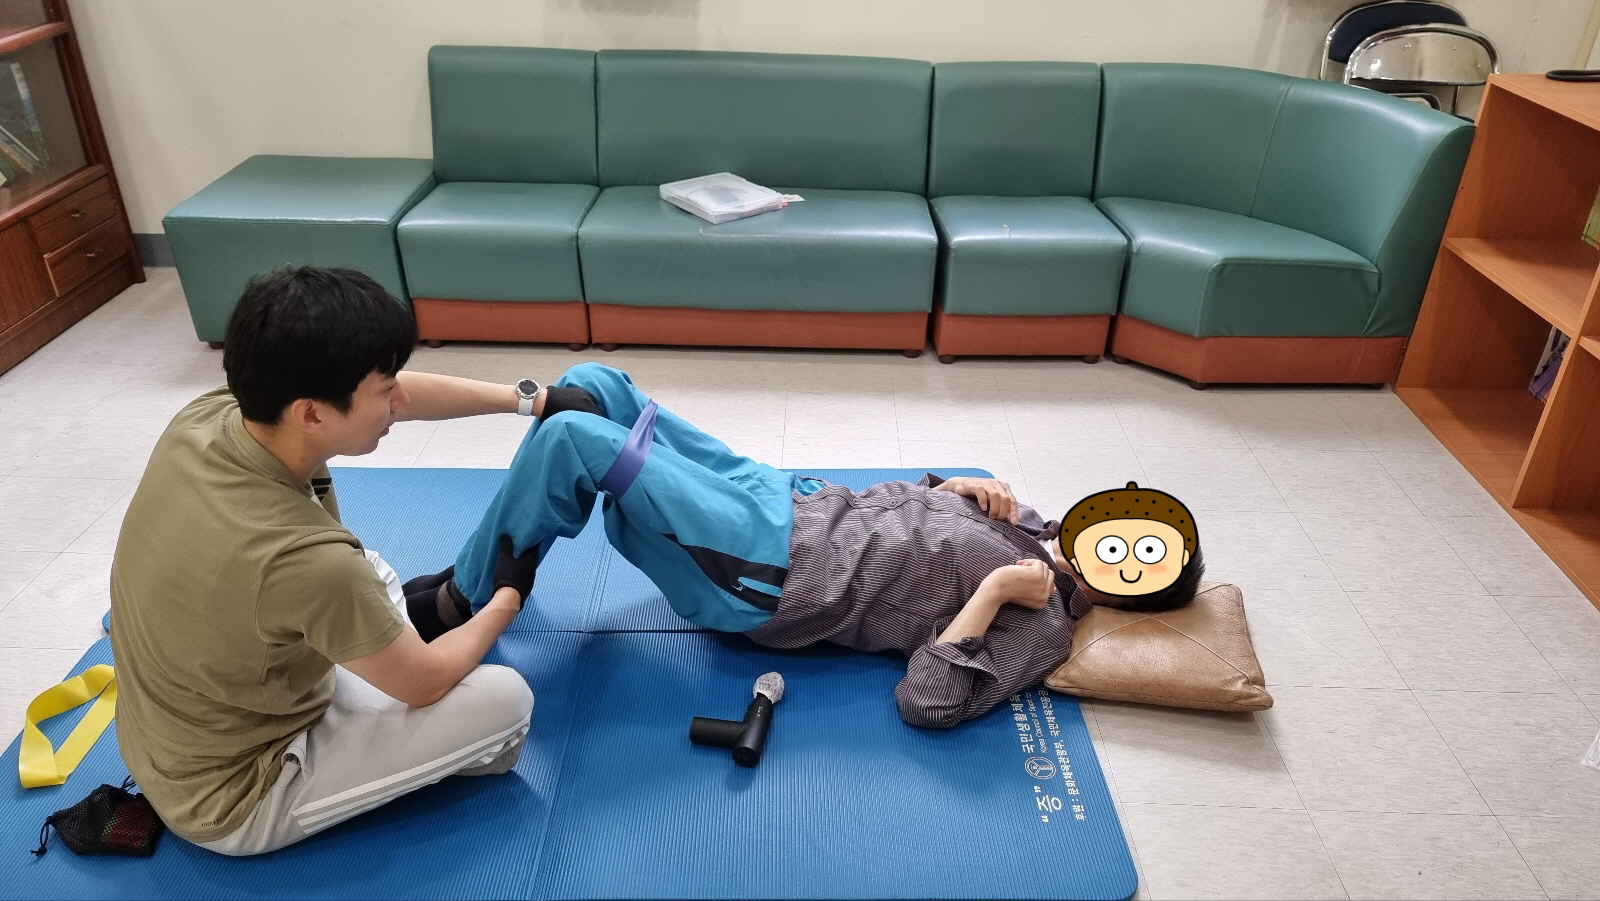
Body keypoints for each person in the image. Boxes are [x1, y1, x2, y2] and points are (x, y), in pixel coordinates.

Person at [414, 363, 1205, 729]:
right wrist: (956, 485)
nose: (1114, 543)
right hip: (787, 496)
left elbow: (929, 699)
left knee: (578, 441)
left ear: (1127, 589)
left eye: (1137, 558)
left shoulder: (1044, 625)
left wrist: (994, 592)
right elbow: (915, 524)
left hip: (776, 571)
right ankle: (487, 571)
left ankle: (464, 599)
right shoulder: (1033, 523)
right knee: (598, 385)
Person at [108, 266, 583, 856]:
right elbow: (425, 685)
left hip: (184, 721)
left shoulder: (215, 415)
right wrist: (510, 595)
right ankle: (408, 667)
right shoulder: (302, 560)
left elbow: (390, 396)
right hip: (235, 791)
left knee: (365, 568)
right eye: (384, 392)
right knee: (505, 706)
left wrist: (529, 400)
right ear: (312, 413)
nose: (397, 402)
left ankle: (406, 637)